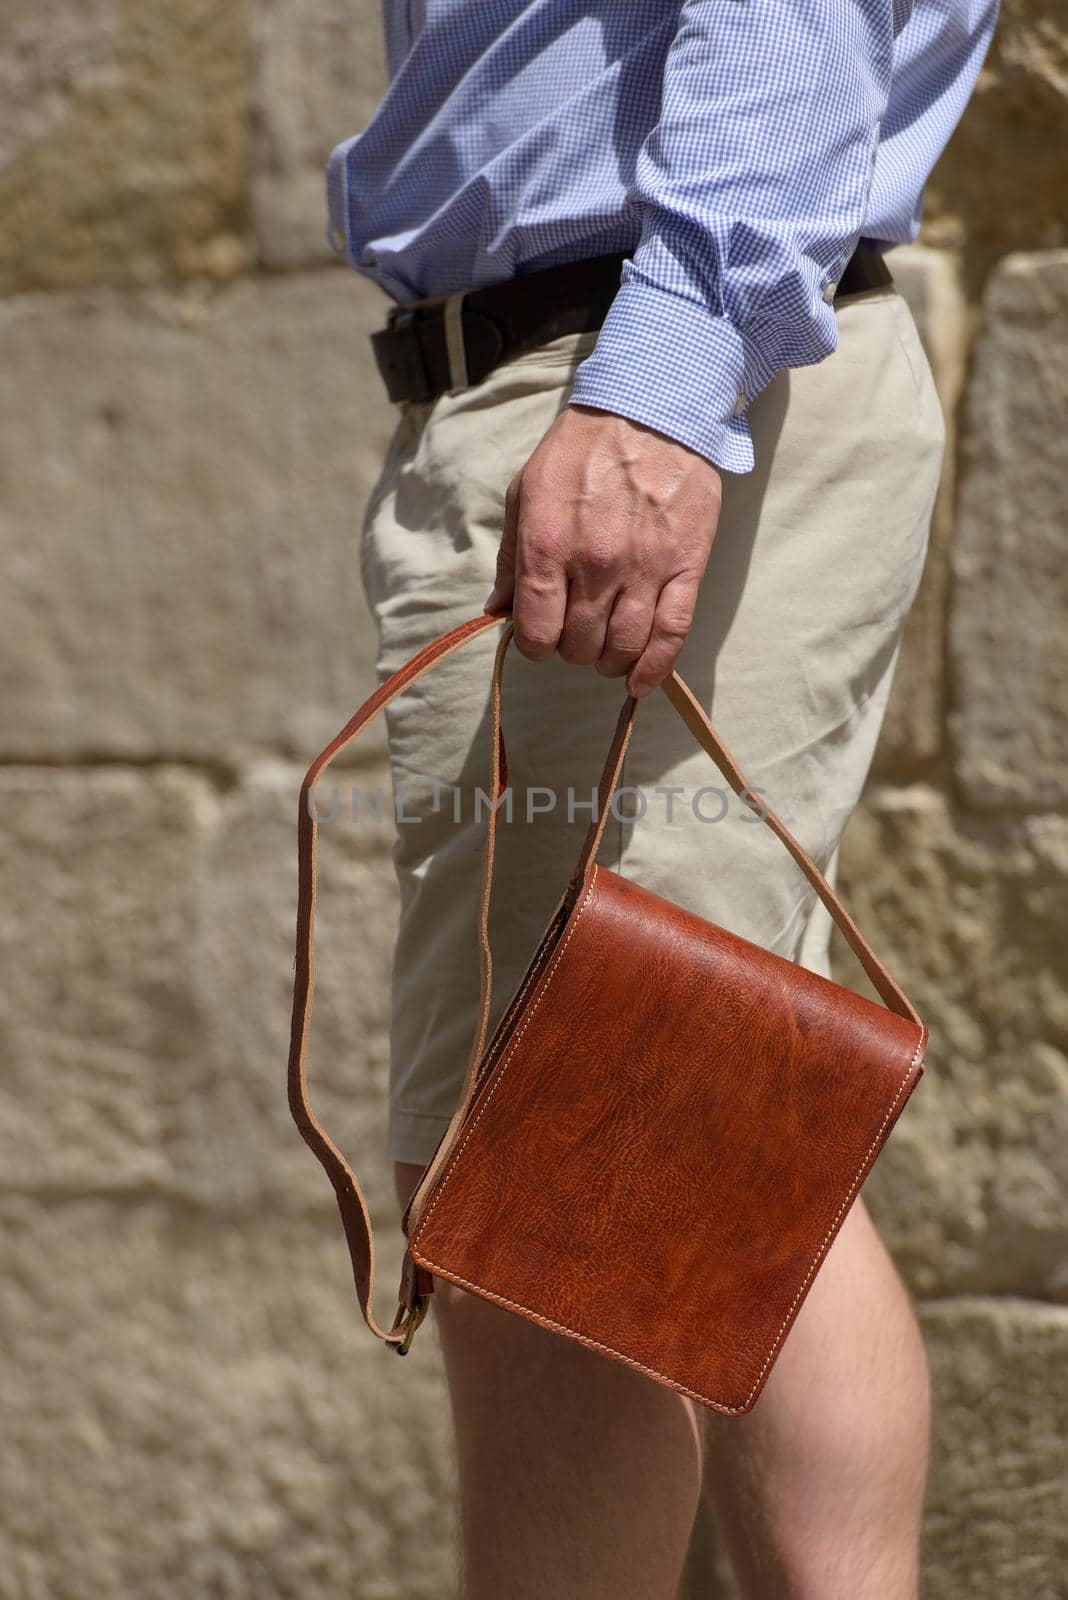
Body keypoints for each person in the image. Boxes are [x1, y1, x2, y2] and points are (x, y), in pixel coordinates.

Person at [327, 3, 997, 1595]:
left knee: (567, 1163)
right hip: (602, 362)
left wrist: (659, 382)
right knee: (702, 1124)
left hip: (638, 364)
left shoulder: (652, 375)